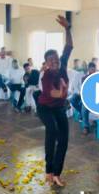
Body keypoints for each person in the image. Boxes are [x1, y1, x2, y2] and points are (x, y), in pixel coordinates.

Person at [37, 15, 73, 187]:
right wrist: (64, 92)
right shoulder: (45, 75)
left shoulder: (63, 63)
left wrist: (67, 28)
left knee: (64, 140)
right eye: (51, 60)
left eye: (56, 58)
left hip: (59, 108)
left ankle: (57, 173)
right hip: (45, 107)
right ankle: (48, 170)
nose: (55, 61)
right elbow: (55, 93)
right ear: (46, 63)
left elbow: (69, 46)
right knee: (52, 130)